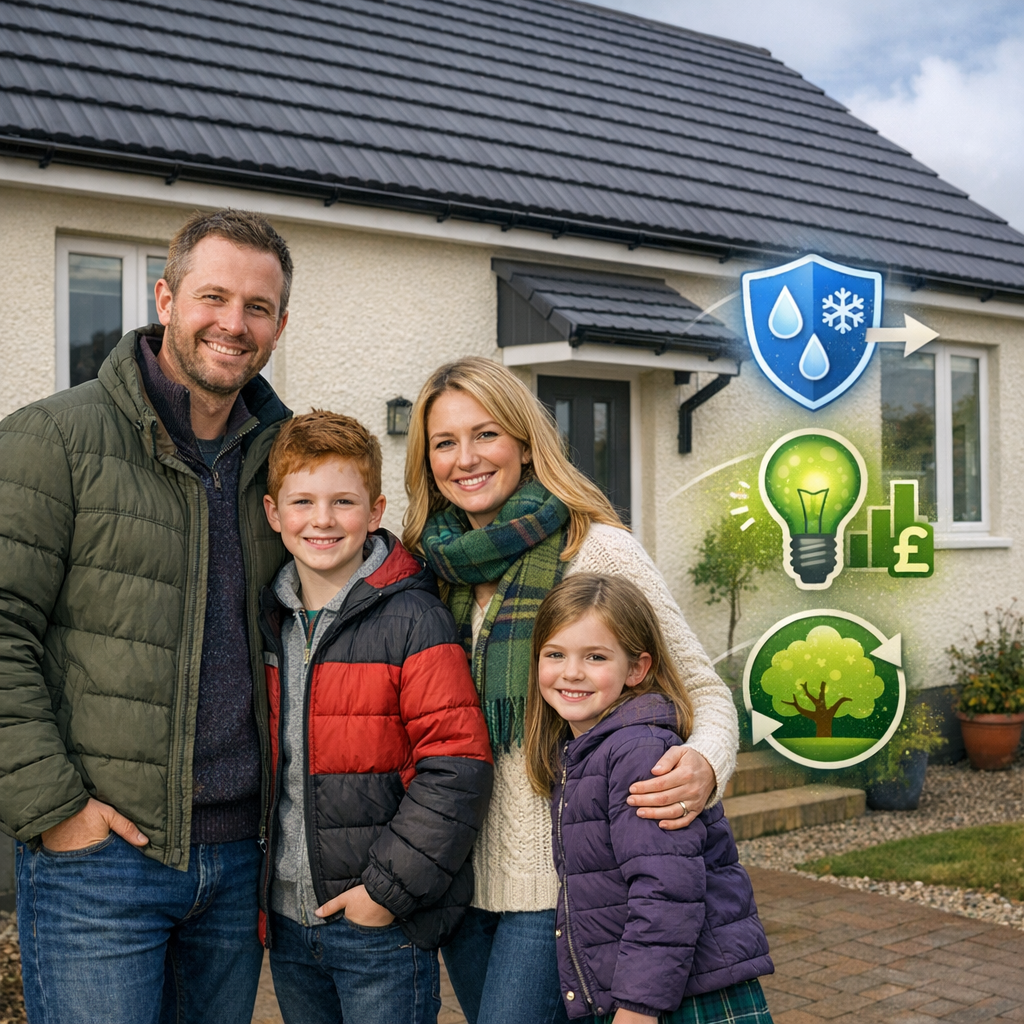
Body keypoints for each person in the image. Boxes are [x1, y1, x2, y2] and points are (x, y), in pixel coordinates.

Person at [0, 209, 294, 1024]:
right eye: (213, 296)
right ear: (165, 298)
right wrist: (58, 814)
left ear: (279, 323)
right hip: (102, 861)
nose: (233, 324)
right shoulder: (51, 440)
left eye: (258, 307)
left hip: (237, 865)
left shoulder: (285, 458)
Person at [402, 357, 740, 1024]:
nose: (465, 458)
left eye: (486, 434)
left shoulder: (598, 551)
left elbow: (703, 687)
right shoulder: (428, 568)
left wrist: (706, 762)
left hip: (558, 884)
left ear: (526, 444)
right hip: (459, 881)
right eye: (445, 442)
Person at [258, 410, 494, 1024]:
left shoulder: (415, 618)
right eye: (302, 501)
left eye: (343, 501)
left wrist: (386, 894)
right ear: (272, 513)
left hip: (378, 927)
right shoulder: (269, 620)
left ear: (376, 509)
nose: (322, 520)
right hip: (289, 921)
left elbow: (456, 765)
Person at [525, 574, 773, 1024]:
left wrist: (639, 1007)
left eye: (595, 657)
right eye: (555, 654)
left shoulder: (639, 752)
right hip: (645, 987)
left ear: (637, 669)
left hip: (683, 997)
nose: (571, 672)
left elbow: (666, 890)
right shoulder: (582, 751)